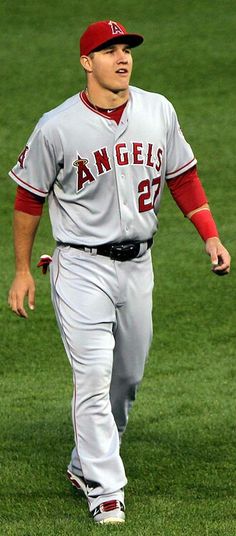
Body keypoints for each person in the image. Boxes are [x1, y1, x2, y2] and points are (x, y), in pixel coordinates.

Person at [8, 20, 231, 524]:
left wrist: (210, 233)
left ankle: (82, 462)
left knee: (126, 378)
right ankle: (106, 491)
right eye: (108, 51)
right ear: (87, 63)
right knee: (92, 375)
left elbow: (183, 174)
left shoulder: (158, 109)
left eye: (125, 49)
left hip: (139, 267)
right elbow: (28, 198)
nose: (122, 57)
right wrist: (22, 269)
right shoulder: (57, 126)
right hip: (80, 265)